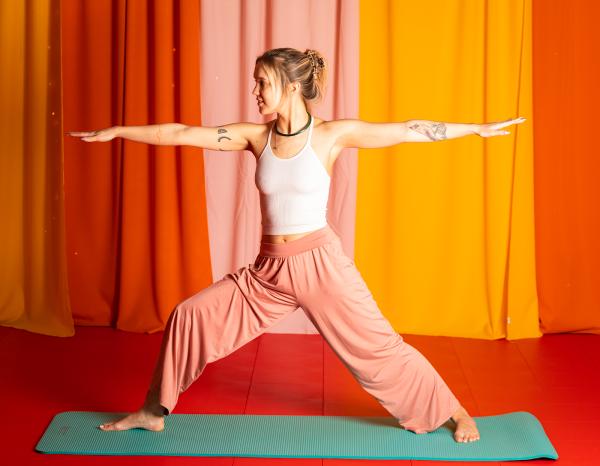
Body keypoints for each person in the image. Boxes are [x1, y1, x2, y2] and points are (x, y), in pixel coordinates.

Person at [69, 47, 525, 444]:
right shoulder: (255, 137)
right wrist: (118, 132)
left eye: (262, 83)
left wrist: (475, 129)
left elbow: (407, 129)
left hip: (320, 265)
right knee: (190, 315)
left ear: (289, 86)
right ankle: (153, 412)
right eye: (255, 84)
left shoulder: (330, 135)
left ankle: (453, 410)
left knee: (379, 348)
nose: (255, 92)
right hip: (267, 273)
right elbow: (182, 133)